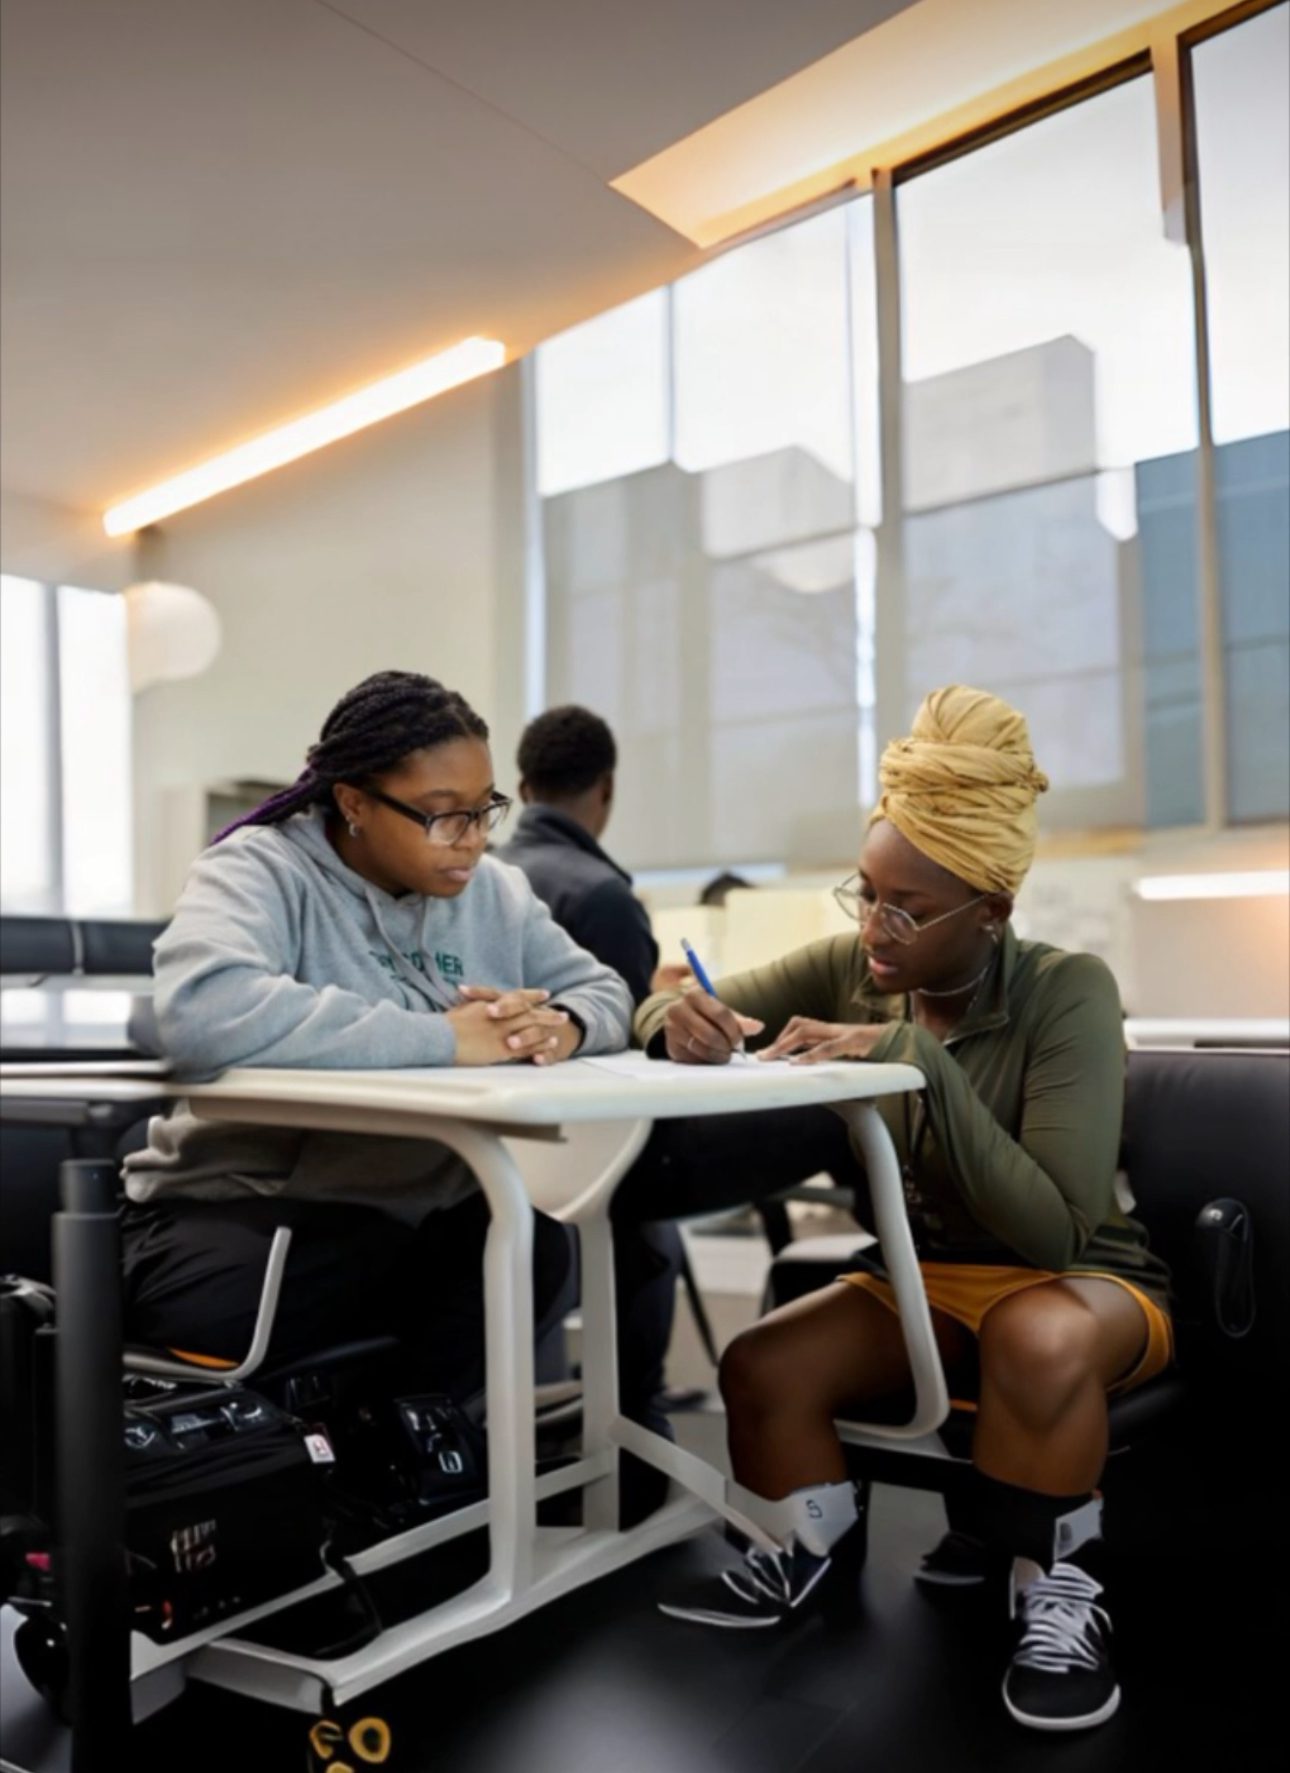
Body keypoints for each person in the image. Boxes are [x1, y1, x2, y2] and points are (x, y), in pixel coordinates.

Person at [638, 686, 1173, 1734]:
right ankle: (806, 1554)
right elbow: (667, 998)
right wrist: (678, 1020)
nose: (875, 930)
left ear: (994, 913)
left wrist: (914, 1061)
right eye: (866, 892)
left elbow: (1054, 1230)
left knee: (1038, 1334)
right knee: (764, 1363)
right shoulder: (860, 967)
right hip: (925, 1282)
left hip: (1085, 1280)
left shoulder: (1070, 991)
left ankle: (1056, 1588)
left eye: (908, 909)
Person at [121, 670, 633, 1405]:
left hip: (403, 1209)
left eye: (485, 810)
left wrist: (565, 1024)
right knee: (420, 1257)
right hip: (228, 1212)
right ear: (354, 802)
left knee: (533, 1249)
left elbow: (605, 989)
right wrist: (446, 1038)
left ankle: (417, 1478)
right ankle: (353, 1477)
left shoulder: (494, 890)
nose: (474, 840)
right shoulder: (260, 867)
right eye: (442, 815)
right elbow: (202, 1010)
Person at [495, 704, 688, 1005]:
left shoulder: (479, 875)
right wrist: (656, 1003)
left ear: (522, 790)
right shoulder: (606, 898)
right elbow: (626, 1026)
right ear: (607, 787)